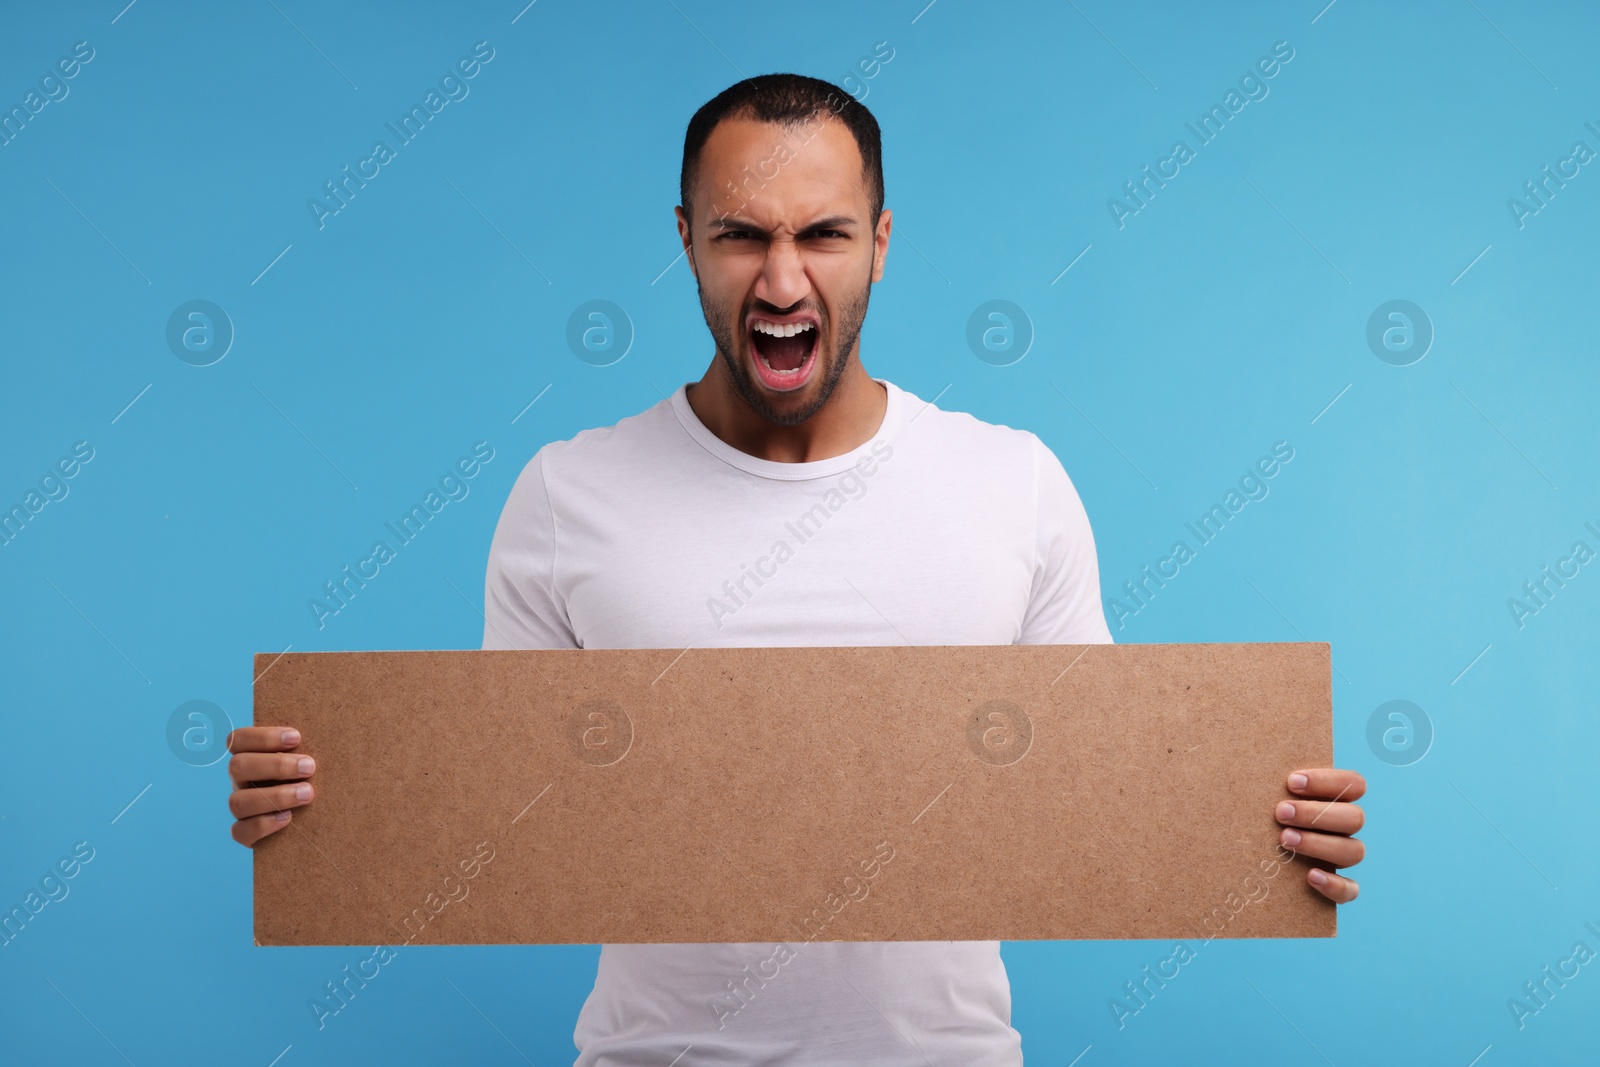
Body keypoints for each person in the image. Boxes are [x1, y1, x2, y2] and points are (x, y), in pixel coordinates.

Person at [227, 73, 1367, 1065]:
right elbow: (503, 810)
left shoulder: (1010, 482)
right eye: (740, 235)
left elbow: (1097, 791)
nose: (780, 280)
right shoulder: (568, 495)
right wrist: (330, 808)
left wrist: (1266, 829)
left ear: (880, 238)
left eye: (821, 233)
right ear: (683, 239)